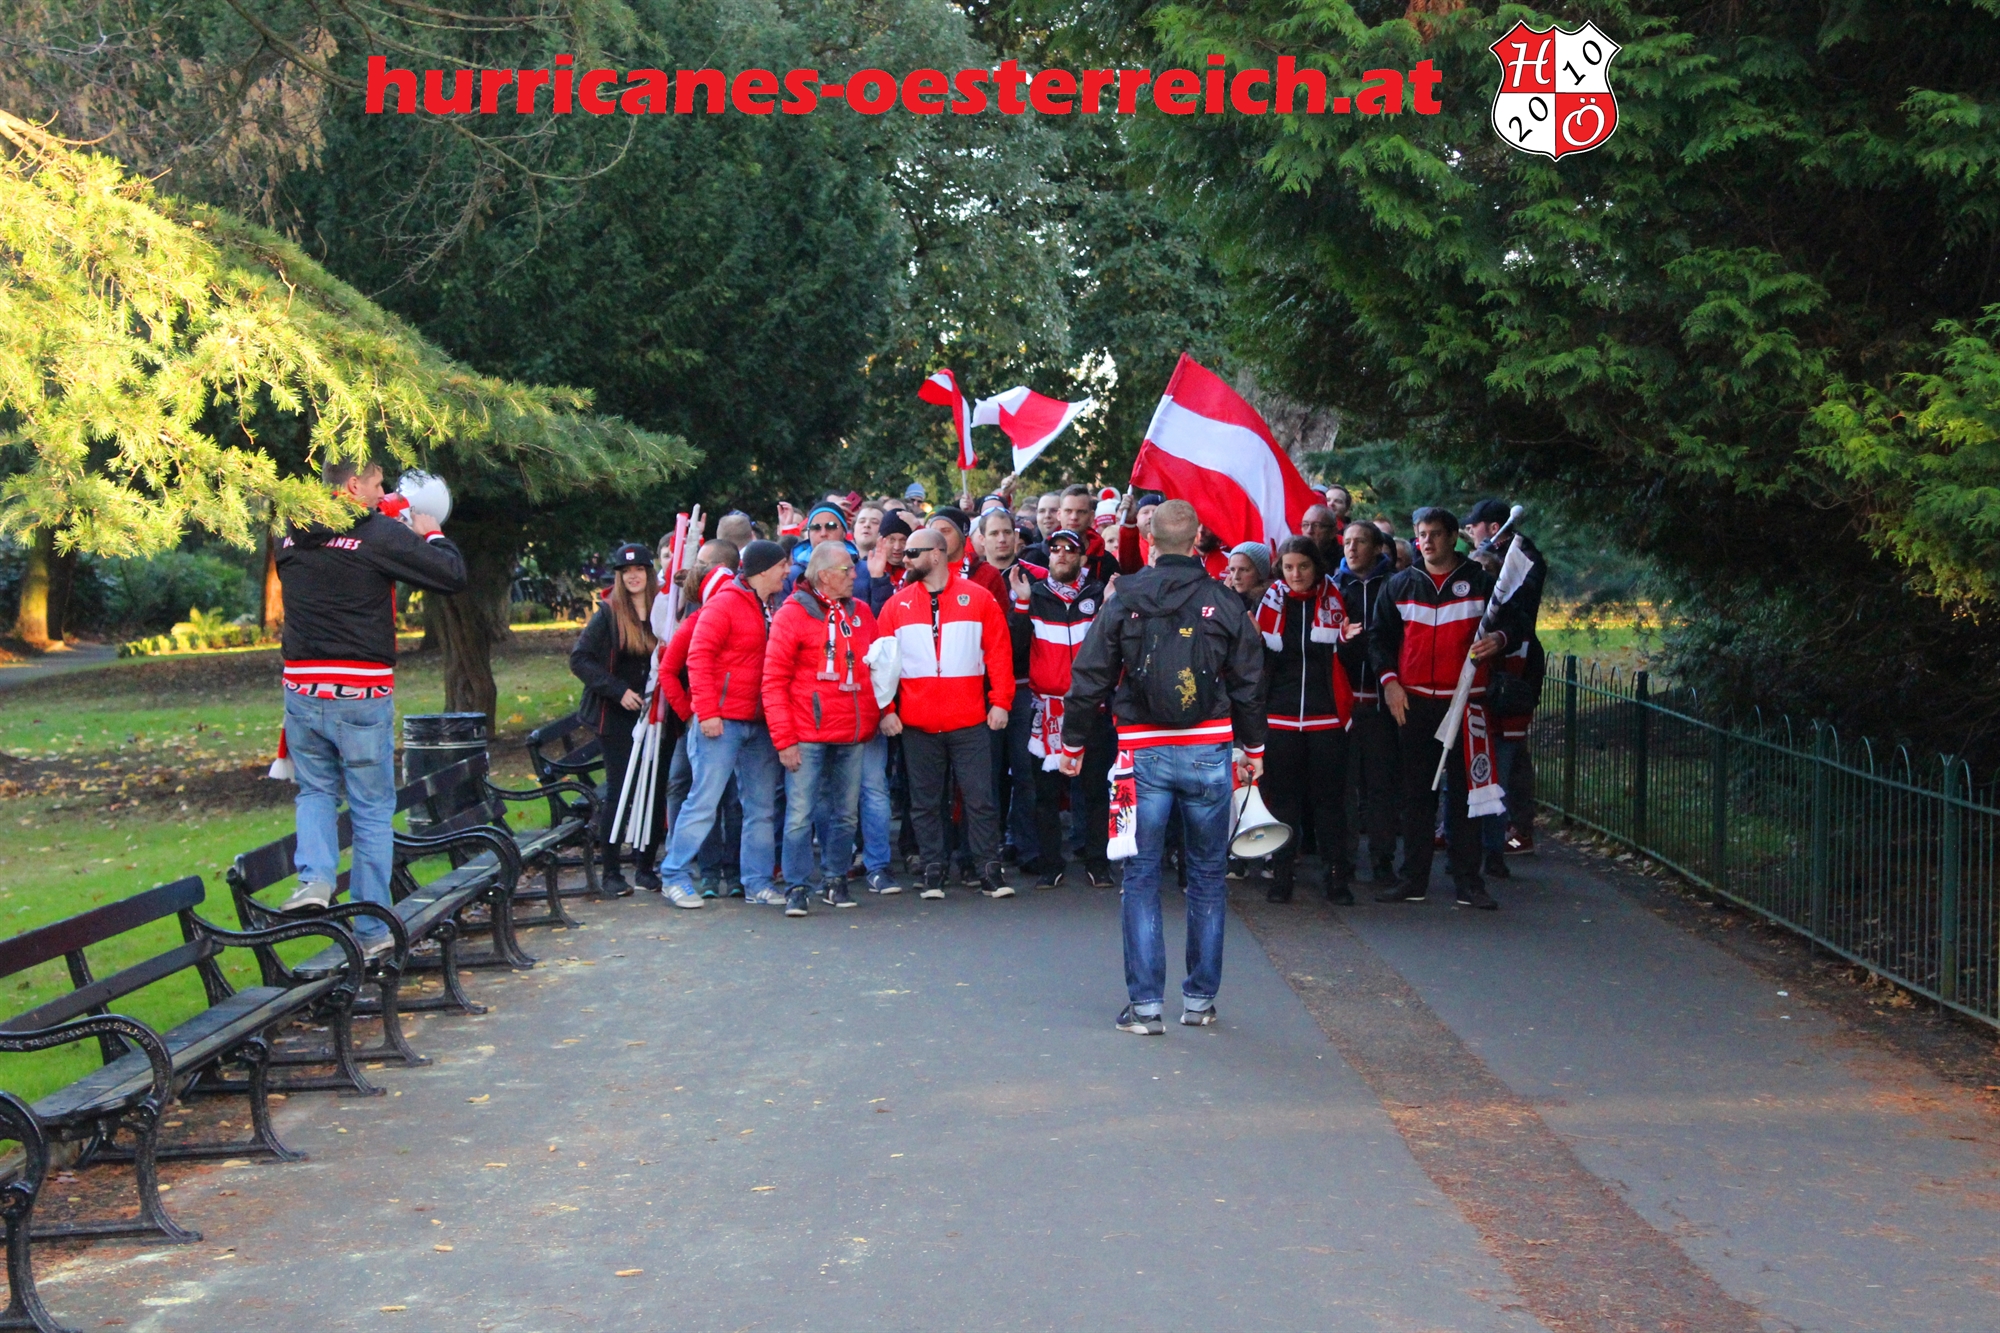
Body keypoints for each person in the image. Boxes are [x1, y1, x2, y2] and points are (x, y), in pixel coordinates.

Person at [1061, 500, 1265, 1035]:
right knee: (1207, 874)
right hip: (1209, 749)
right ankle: (1199, 1001)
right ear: (1197, 539)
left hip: (1138, 752)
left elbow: (1090, 675)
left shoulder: (1123, 597)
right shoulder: (1224, 599)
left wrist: (1073, 743)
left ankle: (1146, 1006)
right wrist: (1254, 748)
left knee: (1141, 874)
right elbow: (1249, 679)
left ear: (1150, 539)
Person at [275, 457, 467, 959]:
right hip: (360, 694)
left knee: (315, 790)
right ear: (354, 484)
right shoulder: (377, 534)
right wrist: (430, 533)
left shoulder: (287, 534)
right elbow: (451, 575)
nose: (383, 494)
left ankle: (315, 879)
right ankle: (371, 928)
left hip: (302, 690)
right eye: (378, 484)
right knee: (371, 810)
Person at [1368, 507, 1526, 911]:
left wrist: (1500, 639)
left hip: (1467, 703)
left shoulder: (1482, 583)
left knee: (1466, 795)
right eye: (1421, 534)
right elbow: (1379, 639)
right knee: (1416, 794)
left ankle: (1468, 881)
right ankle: (1413, 879)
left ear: (1454, 536)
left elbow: (1517, 623)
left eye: (1436, 534)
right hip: (1414, 702)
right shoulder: (1400, 584)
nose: (1427, 542)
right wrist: (1389, 683)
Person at [875, 526, 1015, 900]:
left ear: (936, 554)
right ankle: (932, 869)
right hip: (917, 722)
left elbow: (999, 653)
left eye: (912, 553)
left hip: (969, 719)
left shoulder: (979, 598)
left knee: (980, 799)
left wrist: (1001, 701)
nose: (905, 558)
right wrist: (886, 710)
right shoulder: (895, 606)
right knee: (924, 802)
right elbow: (882, 664)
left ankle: (988, 869)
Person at [654, 539, 791, 909]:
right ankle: (674, 876)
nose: (787, 571)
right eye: (782, 565)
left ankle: (757, 883)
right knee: (704, 802)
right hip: (722, 722)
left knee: (760, 809)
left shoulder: (771, 605)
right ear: (764, 569)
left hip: (758, 723)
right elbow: (697, 657)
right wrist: (705, 712)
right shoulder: (726, 603)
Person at [763, 542, 880, 916]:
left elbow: (878, 668)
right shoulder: (792, 614)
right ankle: (797, 886)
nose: (854, 575)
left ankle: (835, 879)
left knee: (845, 814)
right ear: (825, 575)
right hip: (807, 733)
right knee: (800, 814)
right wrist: (784, 739)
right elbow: (774, 680)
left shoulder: (860, 612)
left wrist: (878, 714)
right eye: (847, 569)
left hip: (852, 730)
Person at [1253, 536, 1355, 905]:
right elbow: (1257, 665)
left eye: (1303, 566)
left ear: (1316, 567)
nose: (1296, 574)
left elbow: (1352, 662)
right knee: (1283, 802)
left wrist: (1348, 643)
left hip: (1325, 717)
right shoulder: (1269, 602)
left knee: (1329, 803)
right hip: (1279, 717)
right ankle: (1281, 876)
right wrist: (1253, 641)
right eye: (1289, 567)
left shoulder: (1337, 600)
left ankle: (1336, 878)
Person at [1009, 529, 1113, 888]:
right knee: (1045, 795)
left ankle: (1098, 863)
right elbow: (1014, 650)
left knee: (1095, 791)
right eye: (1055, 549)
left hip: (1091, 709)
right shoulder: (1034, 595)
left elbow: (1113, 648)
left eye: (1070, 549)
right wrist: (1022, 604)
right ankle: (1050, 864)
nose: (1062, 554)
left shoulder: (1098, 594)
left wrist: (1110, 607)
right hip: (1046, 710)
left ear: (1082, 558)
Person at [568, 542, 665, 898]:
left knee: (653, 788)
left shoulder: (664, 608)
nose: (633, 576)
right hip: (616, 716)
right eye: (626, 572)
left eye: (639, 569)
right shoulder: (608, 613)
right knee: (620, 789)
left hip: (657, 714)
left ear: (649, 573)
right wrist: (617, 690)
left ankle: (645, 867)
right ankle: (611, 872)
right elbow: (580, 659)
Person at [1463, 498, 1548, 870]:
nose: (1470, 531)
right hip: (1483, 684)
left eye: (1475, 525)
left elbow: (1520, 611)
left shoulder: (1522, 559)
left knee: (1509, 761)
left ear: (1494, 527)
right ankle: (1474, 835)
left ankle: (1514, 831)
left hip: (1511, 674)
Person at [659, 545, 743, 897]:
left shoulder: (747, 613)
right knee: (705, 799)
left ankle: (735, 873)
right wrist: (689, 714)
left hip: (739, 720)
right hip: (705, 722)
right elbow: (668, 670)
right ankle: (708, 873)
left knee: (735, 802)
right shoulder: (698, 619)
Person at [1334, 521, 1401, 885]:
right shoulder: (1334, 587)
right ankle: (1343, 860)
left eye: (1360, 542)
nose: (1352, 548)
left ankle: (1382, 859)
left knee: (1380, 786)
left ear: (1377, 548)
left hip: (1381, 702)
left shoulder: (1395, 585)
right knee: (1343, 789)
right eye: (1347, 542)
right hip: (1343, 704)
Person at [978, 509, 1040, 869]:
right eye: (994, 533)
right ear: (981, 539)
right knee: (987, 777)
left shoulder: (1033, 577)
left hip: (1022, 689)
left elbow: (1022, 641)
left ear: (1017, 537)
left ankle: (1027, 847)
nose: (1002, 539)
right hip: (982, 691)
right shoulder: (971, 581)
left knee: (1026, 773)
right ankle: (989, 849)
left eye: (1007, 532)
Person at [1226, 542, 1271, 608]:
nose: (1236, 577)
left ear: (1260, 573)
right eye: (1232, 569)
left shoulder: (1267, 604)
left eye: (1243, 570)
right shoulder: (1227, 596)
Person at [1300, 504, 1341, 569]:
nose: (1309, 531)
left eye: (1316, 525)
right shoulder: (1295, 557)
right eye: (1305, 525)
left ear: (1333, 532)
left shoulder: (1345, 561)